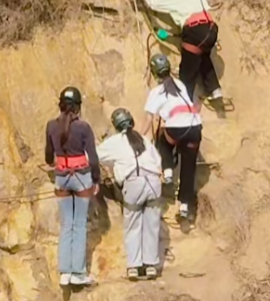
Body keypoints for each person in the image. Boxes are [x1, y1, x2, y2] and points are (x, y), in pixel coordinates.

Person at [137, 0, 223, 104]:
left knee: (187, 73)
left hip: (195, 31)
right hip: (210, 29)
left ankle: (185, 103)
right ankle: (214, 89)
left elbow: (154, 3)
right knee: (202, 55)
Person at [97, 108, 162, 280]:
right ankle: (150, 266)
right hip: (154, 183)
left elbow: (95, 155)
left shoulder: (115, 141)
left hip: (134, 183)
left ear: (116, 125)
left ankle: (134, 266)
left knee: (133, 224)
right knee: (152, 225)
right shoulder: (144, 140)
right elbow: (157, 161)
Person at [45, 87, 100, 287]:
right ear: (78, 107)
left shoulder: (51, 126)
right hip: (82, 177)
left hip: (61, 177)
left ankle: (64, 272)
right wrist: (96, 180)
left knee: (66, 224)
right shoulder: (84, 127)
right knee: (80, 224)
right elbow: (93, 158)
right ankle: (78, 271)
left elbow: (48, 156)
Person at [141, 54, 202, 218]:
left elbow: (148, 117)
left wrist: (140, 136)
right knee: (189, 168)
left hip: (176, 128)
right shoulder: (180, 84)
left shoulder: (157, 92)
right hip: (195, 127)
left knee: (163, 138)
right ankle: (184, 207)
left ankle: (167, 171)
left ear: (154, 73)